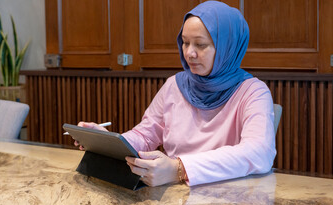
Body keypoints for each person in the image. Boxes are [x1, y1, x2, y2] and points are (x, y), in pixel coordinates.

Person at [76, 1, 276, 187]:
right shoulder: (174, 85)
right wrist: (110, 143)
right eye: (185, 42)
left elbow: (259, 152)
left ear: (227, 48)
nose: (189, 53)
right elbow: (145, 135)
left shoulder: (253, 92)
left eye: (200, 44)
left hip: (229, 201)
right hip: (174, 197)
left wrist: (179, 169)